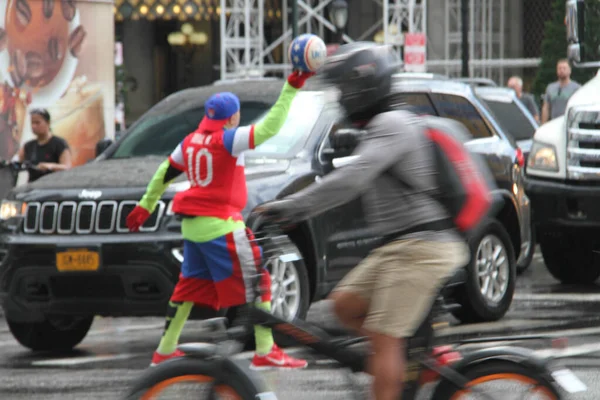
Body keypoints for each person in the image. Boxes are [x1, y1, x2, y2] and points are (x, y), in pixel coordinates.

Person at [256, 43, 470, 400]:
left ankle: (392, 369)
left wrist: (290, 207)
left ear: (365, 88)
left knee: (385, 339)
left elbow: (351, 180)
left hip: (423, 247)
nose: (342, 98)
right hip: (399, 247)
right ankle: (404, 365)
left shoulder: (392, 123)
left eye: (345, 90)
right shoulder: (381, 126)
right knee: (345, 306)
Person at [125, 71, 313, 369]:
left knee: (188, 288)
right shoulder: (230, 140)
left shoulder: (189, 142)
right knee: (260, 281)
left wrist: (145, 206)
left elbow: (165, 173)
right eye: (237, 115)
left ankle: (165, 349)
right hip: (222, 226)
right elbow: (269, 128)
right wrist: (290, 88)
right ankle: (265, 350)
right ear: (230, 119)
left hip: (193, 227)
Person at [16, 108, 71, 182]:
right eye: (32, 123)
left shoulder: (59, 143)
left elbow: (67, 167)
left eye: (37, 123)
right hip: (32, 187)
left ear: (48, 123)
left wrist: (50, 166)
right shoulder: (28, 146)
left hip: (52, 187)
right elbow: (18, 164)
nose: (33, 126)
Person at [541, 59, 581, 124]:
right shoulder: (550, 87)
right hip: (554, 122)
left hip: (569, 123)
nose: (561, 70)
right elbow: (546, 107)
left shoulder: (576, 88)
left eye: (564, 68)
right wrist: (543, 124)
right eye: (559, 68)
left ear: (569, 70)